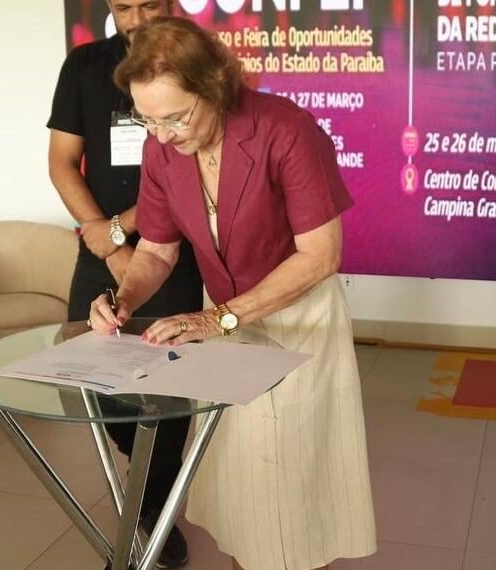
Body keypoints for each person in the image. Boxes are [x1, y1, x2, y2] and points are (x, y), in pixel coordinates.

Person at [89, 16, 377, 570]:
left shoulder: (286, 129)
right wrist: (123, 299)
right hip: (223, 322)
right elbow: (157, 251)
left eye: (175, 117)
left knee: (297, 490)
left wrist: (218, 318)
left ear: (214, 87)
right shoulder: (162, 149)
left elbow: (321, 255)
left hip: (299, 322)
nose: (162, 135)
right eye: (147, 119)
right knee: (243, 489)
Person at [47, 2, 203, 568]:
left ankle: (154, 509)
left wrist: (121, 230)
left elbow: (190, 171)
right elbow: (62, 162)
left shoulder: (194, 62)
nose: (136, 19)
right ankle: (146, 479)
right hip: (98, 248)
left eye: (149, 5)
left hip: (173, 251)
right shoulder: (85, 65)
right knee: (89, 378)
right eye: (123, 7)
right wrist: (110, 244)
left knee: (169, 390)